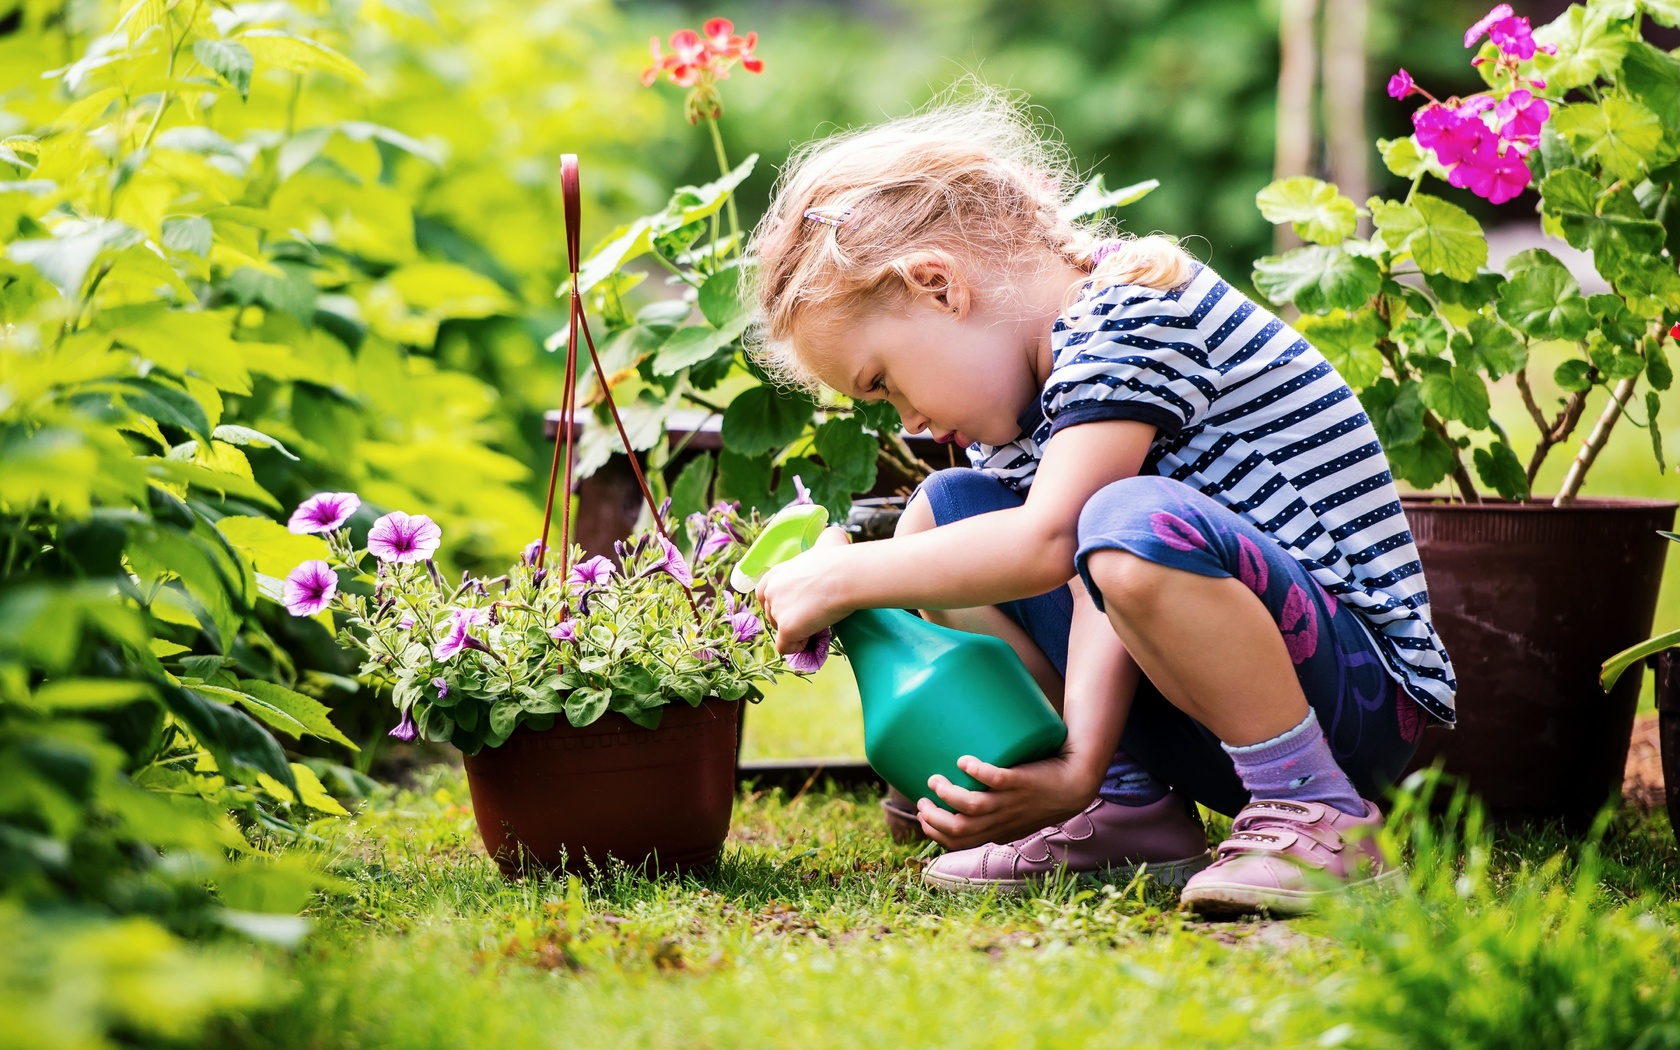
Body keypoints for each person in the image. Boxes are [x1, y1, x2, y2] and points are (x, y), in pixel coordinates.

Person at [741, 83, 1455, 917]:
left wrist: (846, 579)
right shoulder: (1021, 410)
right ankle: (1131, 811)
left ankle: (1321, 815)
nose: (908, 417)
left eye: (884, 381)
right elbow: (1086, 584)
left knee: (1123, 521)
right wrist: (1084, 768)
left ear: (938, 284)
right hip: (1204, 700)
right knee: (948, 510)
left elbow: (1057, 544)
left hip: (1357, 703)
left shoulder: (1132, 312)